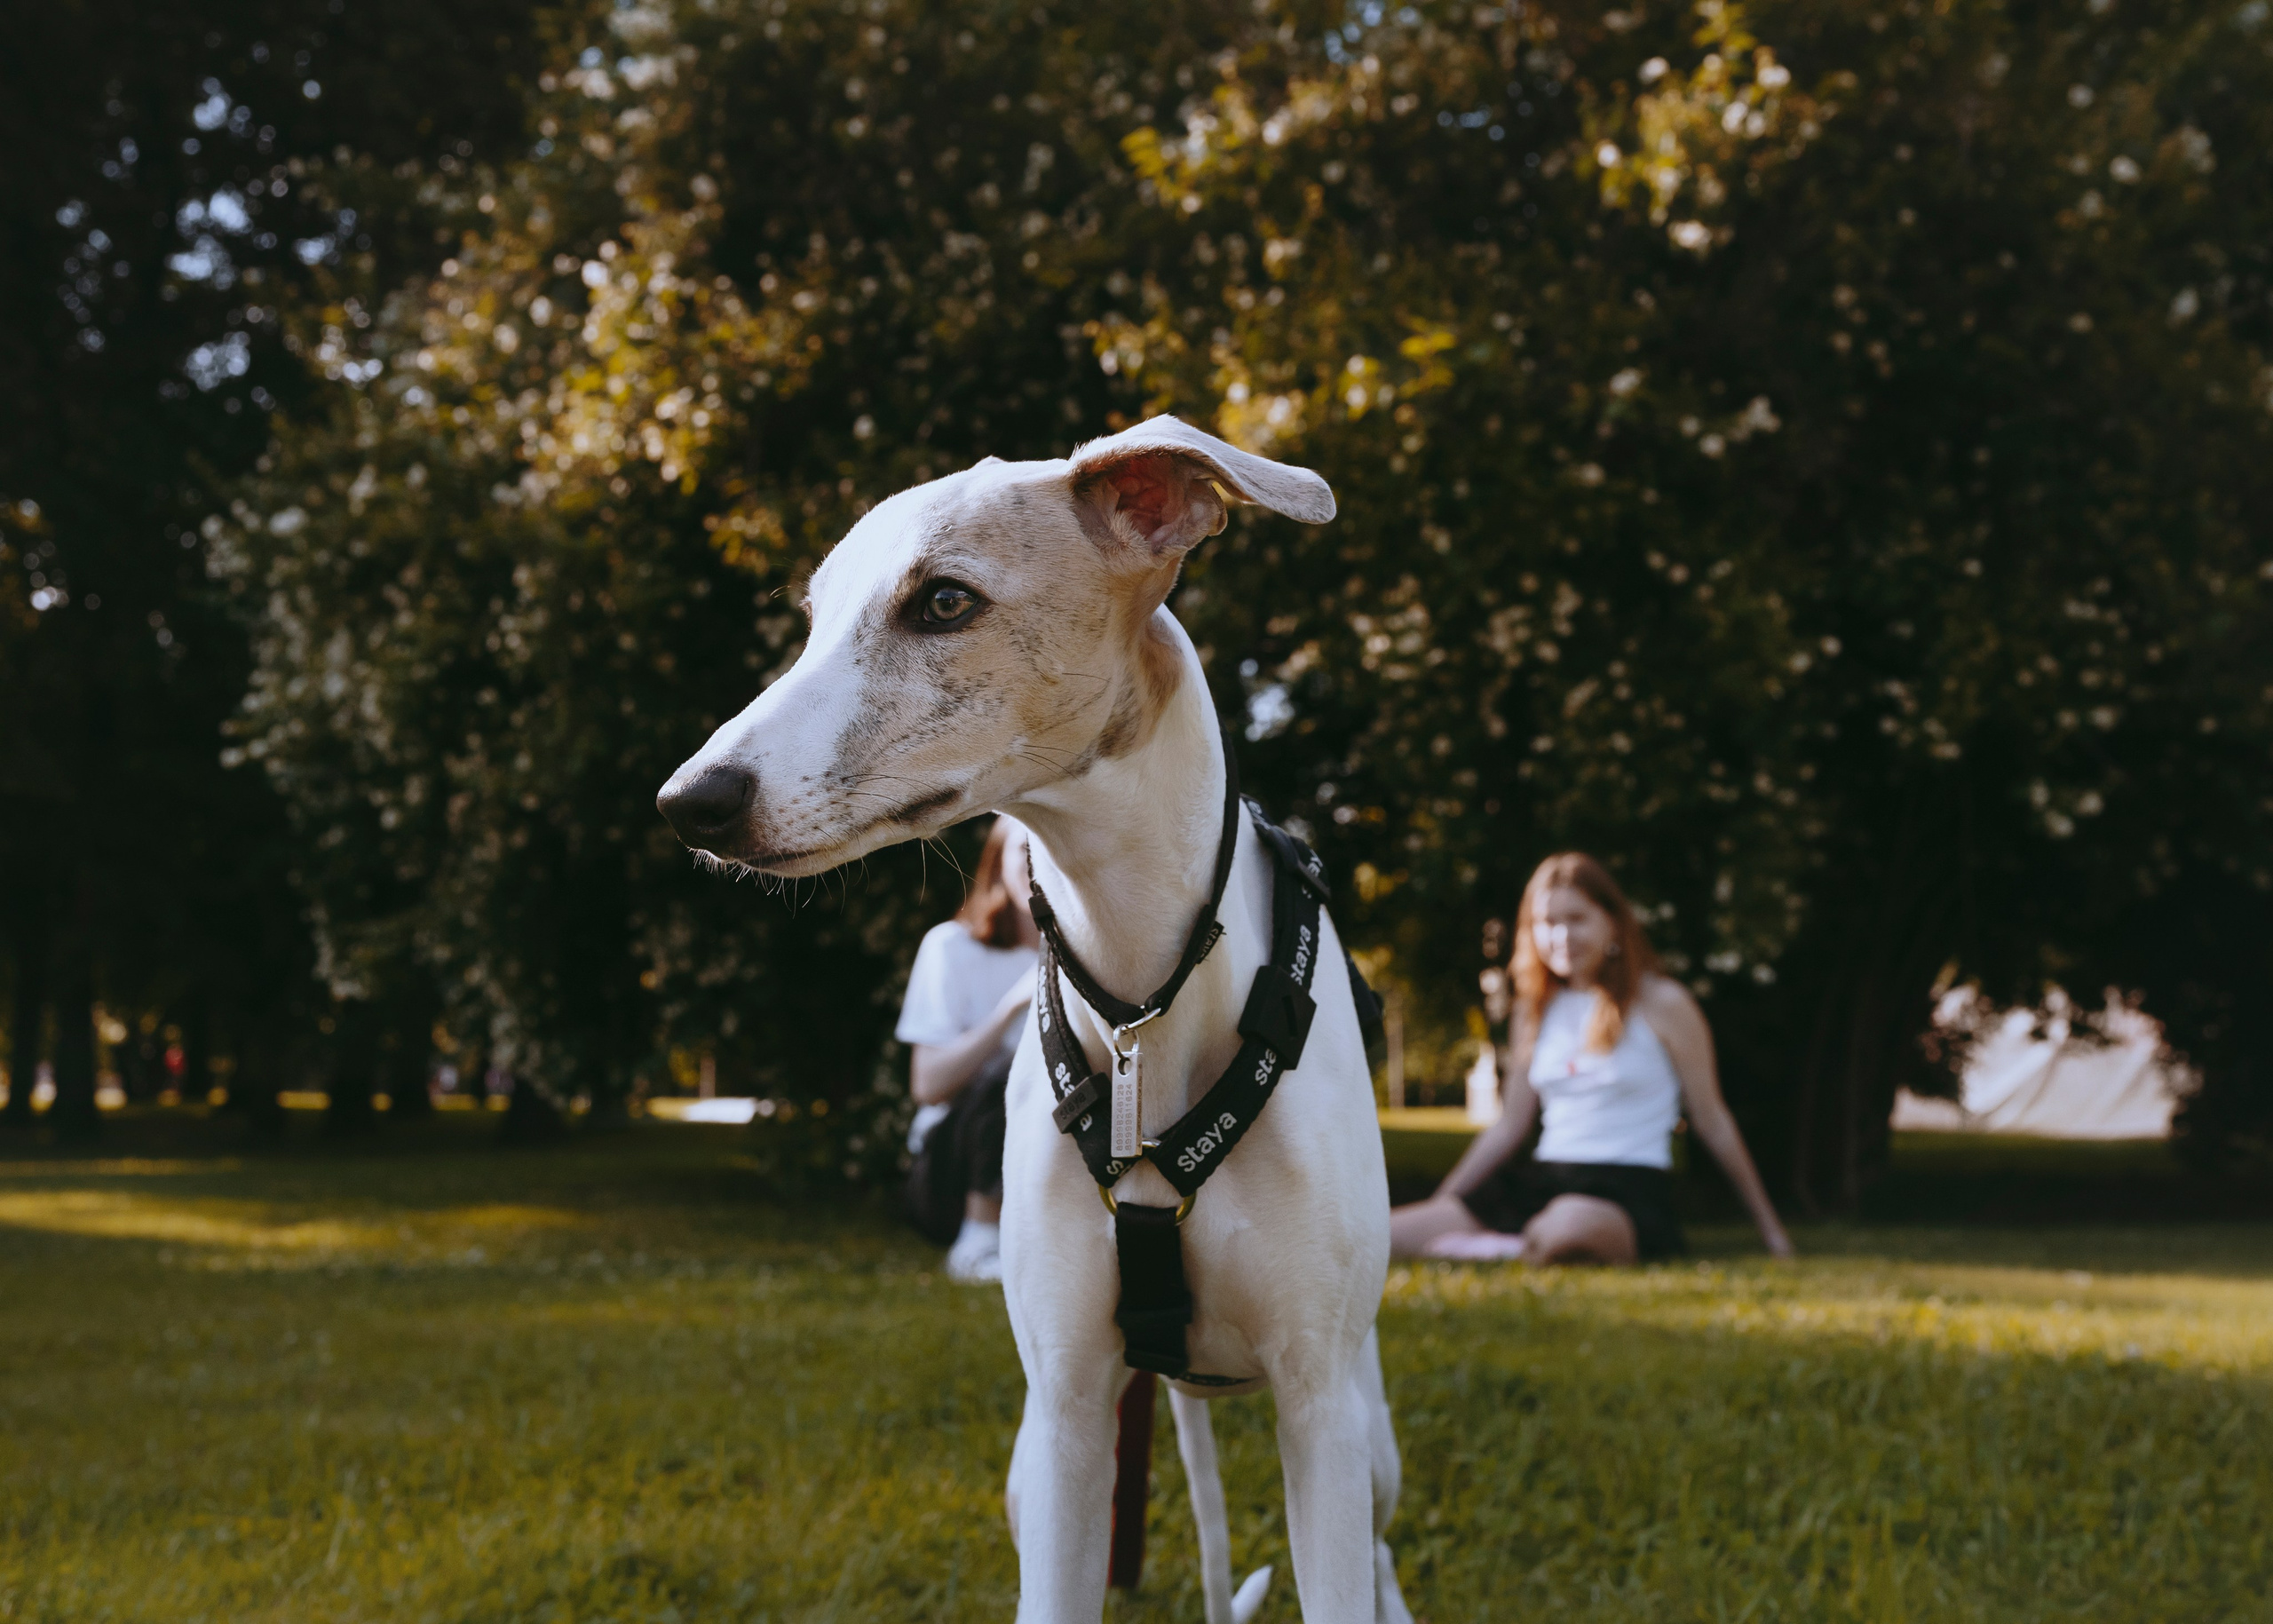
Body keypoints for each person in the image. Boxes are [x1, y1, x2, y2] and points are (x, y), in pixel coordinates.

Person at [1390, 852, 1794, 1266]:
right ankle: (1495, 1244)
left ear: (1613, 922)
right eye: (1547, 922)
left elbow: (1713, 1121)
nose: (1562, 936)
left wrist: (1771, 1231)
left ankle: (1498, 1247)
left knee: (1567, 1234)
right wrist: (1443, 1205)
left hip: (1622, 1188)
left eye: (1577, 919)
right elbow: (1509, 1126)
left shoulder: (1665, 1003)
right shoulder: (1534, 1009)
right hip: (1543, 1178)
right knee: (1384, 1234)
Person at [895, 817, 1040, 1282]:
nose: (1041, 864)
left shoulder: (1093, 959)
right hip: (949, 1176)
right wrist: (1010, 1009)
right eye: (1026, 849)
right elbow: (928, 1086)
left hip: (1049, 1158)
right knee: (1016, 1072)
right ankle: (977, 1242)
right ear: (999, 863)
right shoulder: (951, 947)